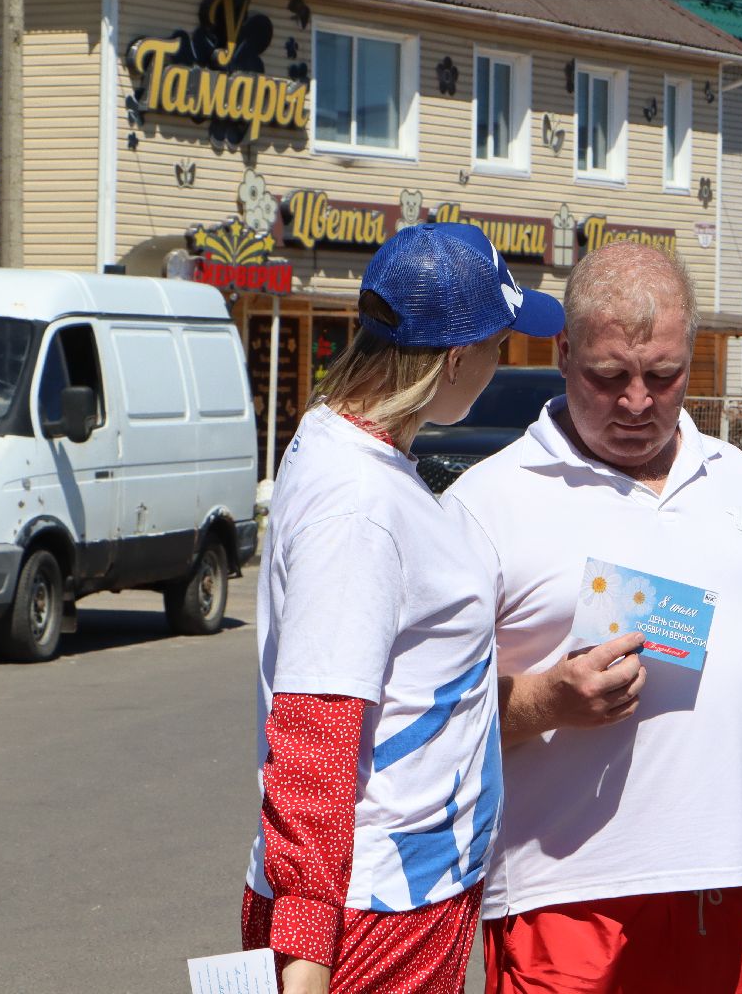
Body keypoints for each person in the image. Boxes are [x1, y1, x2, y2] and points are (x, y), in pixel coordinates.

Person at [445, 241, 742, 994]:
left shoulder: (734, 480)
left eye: (663, 377)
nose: (637, 402)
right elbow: (427, 714)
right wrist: (547, 700)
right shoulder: (484, 503)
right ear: (563, 353)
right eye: (609, 376)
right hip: (561, 902)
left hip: (726, 894)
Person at [240, 224, 564, 994]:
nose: (502, 361)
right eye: (501, 343)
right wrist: (306, 962)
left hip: (403, 892)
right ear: (457, 358)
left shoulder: (345, 445)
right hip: (375, 915)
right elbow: (316, 734)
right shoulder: (358, 505)